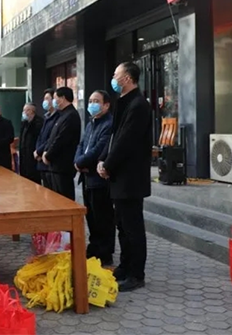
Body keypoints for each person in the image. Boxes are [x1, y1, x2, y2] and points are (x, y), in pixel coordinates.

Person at [98, 62, 152, 292]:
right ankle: (125, 266)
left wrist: (108, 164)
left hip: (130, 177)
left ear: (128, 78)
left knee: (132, 227)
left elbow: (126, 141)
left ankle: (136, 274)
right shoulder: (124, 103)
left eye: (116, 74)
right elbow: (113, 137)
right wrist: (103, 161)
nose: (113, 78)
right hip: (119, 176)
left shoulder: (139, 105)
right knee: (121, 224)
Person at [74, 90, 115, 266]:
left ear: (106, 105)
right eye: (90, 100)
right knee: (91, 216)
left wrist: (82, 161)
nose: (92, 104)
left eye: (96, 101)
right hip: (86, 177)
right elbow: (82, 144)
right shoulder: (91, 123)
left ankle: (105, 252)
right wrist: (77, 161)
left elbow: (99, 148)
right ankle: (94, 247)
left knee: (103, 217)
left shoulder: (109, 124)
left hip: (98, 178)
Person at [42, 87, 81, 200]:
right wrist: (46, 151)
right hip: (55, 166)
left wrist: (48, 155)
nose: (53, 101)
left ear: (63, 98)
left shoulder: (71, 115)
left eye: (55, 98)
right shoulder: (62, 115)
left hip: (63, 166)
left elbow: (61, 139)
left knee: (64, 198)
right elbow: (52, 138)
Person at [35, 89, 58, 185]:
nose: (44, 101)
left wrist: (40, 151)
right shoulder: (46, 117)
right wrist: (37, 151)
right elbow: (40, 136)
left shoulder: (58, 118)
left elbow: (51, 139)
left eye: (47, 99)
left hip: (48, 161)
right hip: (41, 162)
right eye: (44, 99)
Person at [19, 103, 43, 184]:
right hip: (24, 158)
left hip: (33, 158)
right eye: (23, 110)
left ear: (31, 111)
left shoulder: (38, 122)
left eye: (26, 110)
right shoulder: (24, 123)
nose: (24, 112)